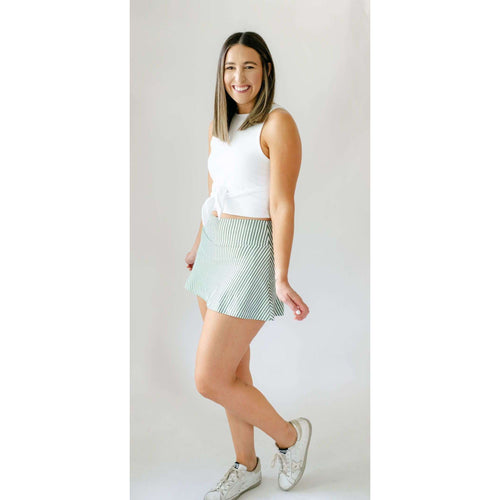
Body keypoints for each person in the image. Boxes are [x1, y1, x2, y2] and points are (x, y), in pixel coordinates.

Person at [184, 31, 312, 499]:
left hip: (251, 253)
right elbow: (216, 194)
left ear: (266, 71)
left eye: (249, 66)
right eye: (230, 67)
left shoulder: (276, 123)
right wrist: (198, 245)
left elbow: (282, 204)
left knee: (209, 379)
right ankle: (247, 465)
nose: (238, 77)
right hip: (216, 248)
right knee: (233, 375)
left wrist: (281, 275)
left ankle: (290, 437)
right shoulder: (220, 127)